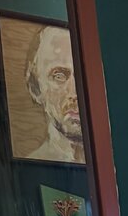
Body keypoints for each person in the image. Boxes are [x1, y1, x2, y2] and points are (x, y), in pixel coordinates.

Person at [23, 24, 85, 164]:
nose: (74, 92)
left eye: (84, 75)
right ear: (35, 88)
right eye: (59, 76)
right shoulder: (29, 167)